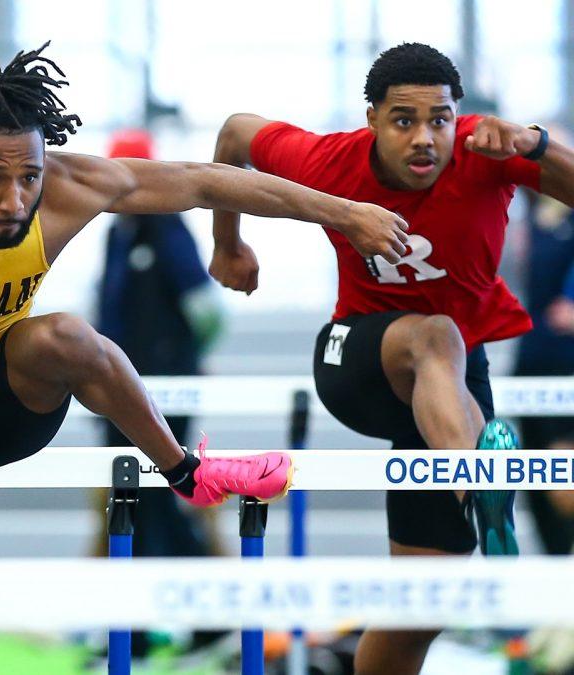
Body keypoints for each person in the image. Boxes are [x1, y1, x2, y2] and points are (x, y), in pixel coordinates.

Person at [0, 36, 409, 674]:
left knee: (63, 333)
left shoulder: (66, 190)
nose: (13, 200)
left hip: (6, 398)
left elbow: (205, 182)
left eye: (27, 177)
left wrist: (344, 213)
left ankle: (186, 472)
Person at [211, 42, 574, 674]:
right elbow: (236, 133)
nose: (425, 138)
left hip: (454, 389)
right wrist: (228, 243)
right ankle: (479, 488)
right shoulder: (330, 159)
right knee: (435, 333)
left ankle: (476, 500)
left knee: (419, 610)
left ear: (456, 116)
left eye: (439, 119)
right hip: (359, 360)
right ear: (372, 119)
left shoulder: (484, 153)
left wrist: (535, 144)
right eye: (403, 120)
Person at [95, 129, 224, 655]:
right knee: (137, 505)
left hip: (160, 396)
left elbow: (207, 312)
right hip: (115, 394)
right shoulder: (118, 233)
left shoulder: (167, 229)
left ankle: (191, 620)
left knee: (160, 500)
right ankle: (148, 628)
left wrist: (184, 367)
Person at [514, 184, 574, 556]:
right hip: (531, 357)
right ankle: (556, 576)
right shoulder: (533, 217)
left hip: (565, 360)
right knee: (537, 474)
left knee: (562, 469)